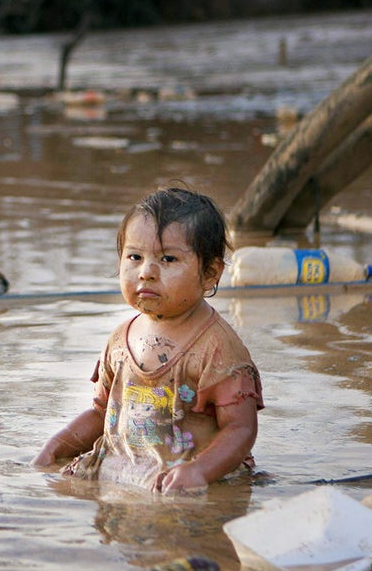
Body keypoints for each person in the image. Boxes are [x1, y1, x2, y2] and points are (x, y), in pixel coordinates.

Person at [33, 185, 262, 493]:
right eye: (135, 257)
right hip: (126, 472)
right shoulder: (119, 340)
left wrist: (199, 471)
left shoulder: (216, 348)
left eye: (168, 259)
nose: (146, 272)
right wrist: (57, 445)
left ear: (210, 274)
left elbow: (240, 429)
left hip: (188, 479)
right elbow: (102, 414)